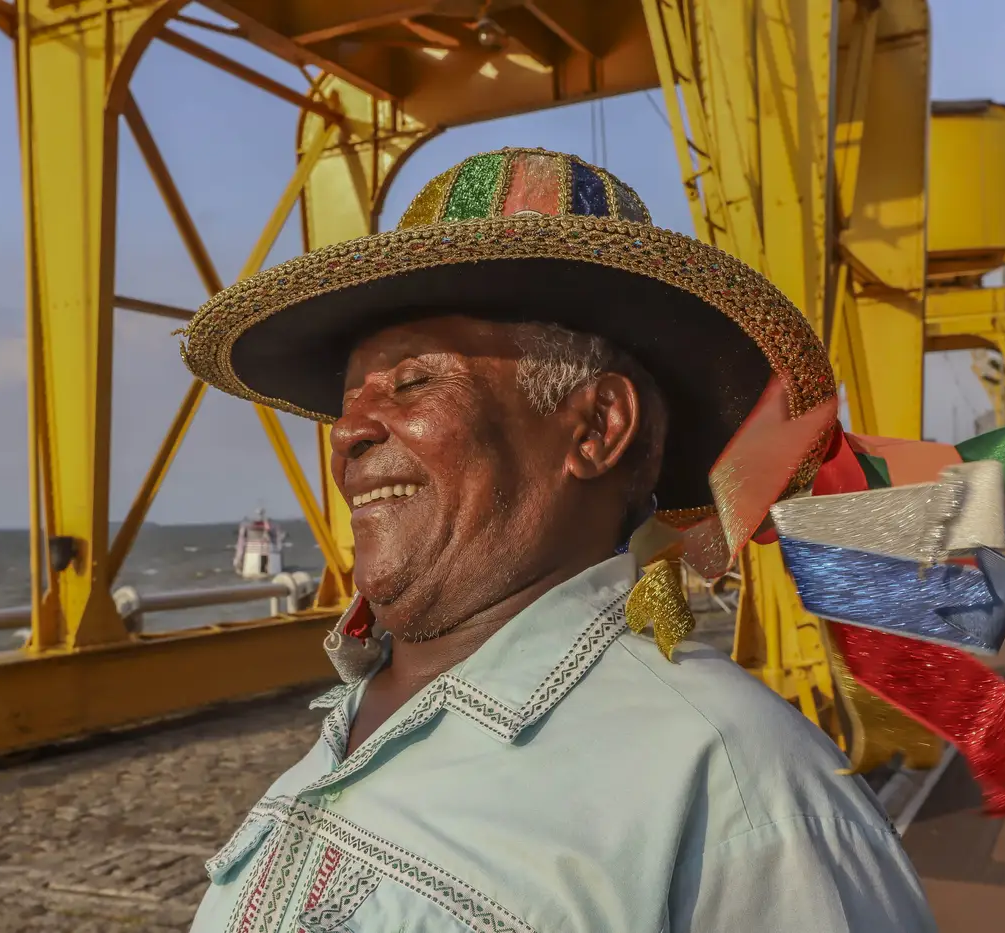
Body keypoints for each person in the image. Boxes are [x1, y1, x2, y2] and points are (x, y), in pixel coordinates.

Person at [178, 148, 936, 932]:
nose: (350, 432)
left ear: (598, 427)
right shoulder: (356, 712)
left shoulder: (735, 781)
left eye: (412, 383)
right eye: (351, 398)